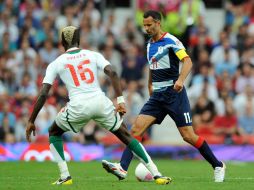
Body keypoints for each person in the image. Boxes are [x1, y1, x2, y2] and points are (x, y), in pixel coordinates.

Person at [25, 26, 171, 185]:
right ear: (78, 41)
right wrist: (120, 101)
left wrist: (31, 120)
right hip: (100, 102)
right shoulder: (93, 55)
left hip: (78, 106)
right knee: (127, 136)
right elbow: (113, 73)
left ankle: (65, 176)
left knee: (54, 131)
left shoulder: (56, 63)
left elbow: (44, 93)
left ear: (61, 43)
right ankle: (157, 174)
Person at [102, 10, 226, 183]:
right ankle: (122, 168)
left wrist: (181, 80)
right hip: (157, 96)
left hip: (174, 94)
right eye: (144, 25)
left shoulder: (171, 41)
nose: (146, 28)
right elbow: (152, 67)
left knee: (188, 136)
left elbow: (188, 61)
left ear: (158, 23)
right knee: (136, 130)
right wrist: (149, 85)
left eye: (149, 25)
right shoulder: (148, 44)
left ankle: (218, 165)